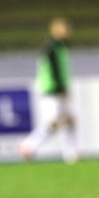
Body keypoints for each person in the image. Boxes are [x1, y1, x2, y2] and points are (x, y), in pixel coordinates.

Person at [19, 17, 78, 164]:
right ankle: (28, 145)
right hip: (51, 90)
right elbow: (53, 70)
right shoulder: (51, 47)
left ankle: (71, 154)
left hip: (57, 89)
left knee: (69, 120)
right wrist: (61, 89)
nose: (67, 32)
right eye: (64, 29)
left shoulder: (61, 47)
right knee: (53, 123)